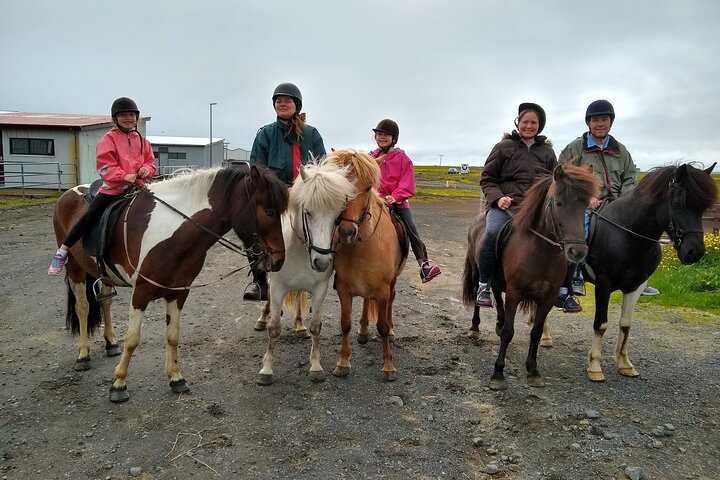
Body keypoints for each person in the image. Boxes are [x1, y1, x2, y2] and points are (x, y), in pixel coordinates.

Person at [557, 99, 656, 310]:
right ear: (588, 123)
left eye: (604, 119)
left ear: (611, 122)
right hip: (588, 203)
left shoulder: (620, 150)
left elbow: (630, 177)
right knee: (580, 228)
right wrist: (586, 197)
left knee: (643, 229)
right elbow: (563, 176)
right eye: (595, 120)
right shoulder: (576, 148)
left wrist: (626, 200)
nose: (600, 124)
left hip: (619, 204)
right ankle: (574, 277)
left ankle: (640, 277)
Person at [48, 97, 156, 276]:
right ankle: (63, 250)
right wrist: (124, 176)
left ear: (137, 117)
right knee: (90, 216)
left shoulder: (144, 142)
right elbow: (105, 167)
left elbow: (150, 162)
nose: (128, 118)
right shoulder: (108, 140)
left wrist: (146, 169)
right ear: (115, 119)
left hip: (138, 187)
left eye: (131, 114)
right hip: (113, 189)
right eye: (123, 115)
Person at [246, 82, 326, 300]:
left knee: (331, 222)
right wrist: (282, 190)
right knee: (253, 228)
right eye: (278, 101)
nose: (282, 104)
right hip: (275, 198)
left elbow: (322, 166)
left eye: (287, 101)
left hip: (307, 197)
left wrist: (305, 190)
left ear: (296, 105)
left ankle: (331, 271)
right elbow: (257, 169)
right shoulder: (265, 134)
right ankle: (260, 281)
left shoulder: (312, 134)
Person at [476, 103, 557, 307]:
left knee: (562, 236)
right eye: (525, 122)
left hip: (535, 210)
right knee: (491, 233)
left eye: (534, 123)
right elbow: (487, 178)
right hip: (505, 206)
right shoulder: (504, 147)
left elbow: (554, 183)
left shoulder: (547, 153)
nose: (529, 126)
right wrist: (498, 198)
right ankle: (484, 285)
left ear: (540, 126)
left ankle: (564, 288)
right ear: (518, 122)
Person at [369, 119, 441, 283]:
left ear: (394, 138)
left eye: (386, 135)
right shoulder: (370, 157)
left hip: (397, 203)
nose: (382, 137)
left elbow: (407, 182)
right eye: (379, 134)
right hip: (375, 200)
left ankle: (424, 265)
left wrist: (395, 196)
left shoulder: (403, 158)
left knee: (411, 228)